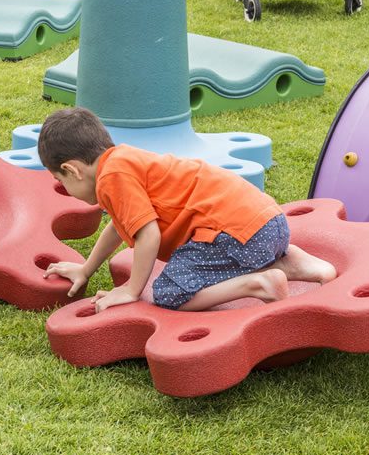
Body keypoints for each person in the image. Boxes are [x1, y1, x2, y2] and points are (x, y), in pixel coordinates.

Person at [38, 107, 336, 312]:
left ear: (73, 170)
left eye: (60, 180)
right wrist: (86, 269)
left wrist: (131, 290)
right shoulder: (123, 160)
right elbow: (119, 226)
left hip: (237, 237)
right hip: (269, 225)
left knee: (169, 292)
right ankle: (289, 262)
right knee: (207, 261)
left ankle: (260, 284)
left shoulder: (112, 178)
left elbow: (148, 235)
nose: (64, 188)